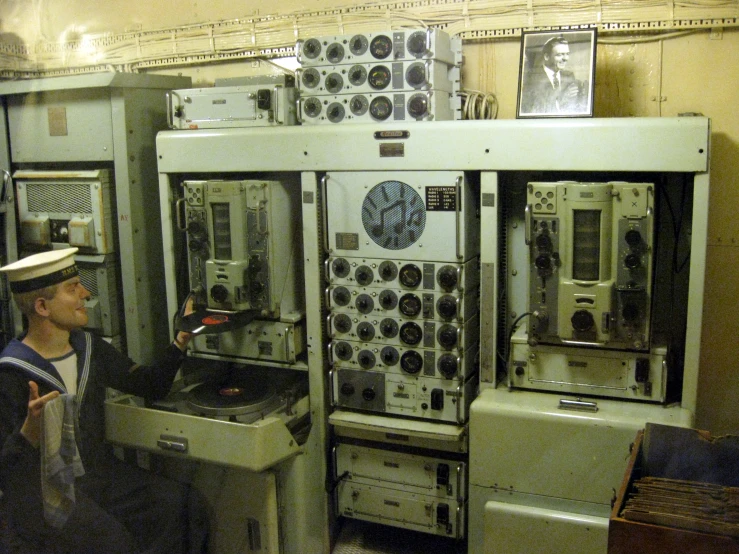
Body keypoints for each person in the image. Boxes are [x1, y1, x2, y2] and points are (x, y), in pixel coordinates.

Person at [0, 248, 208, 553]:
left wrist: (181, 340)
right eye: (72, 289)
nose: (85, 294)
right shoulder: (11, 372)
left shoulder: (89, 348)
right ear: (43, 306)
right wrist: (27, 434)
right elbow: (7, 472)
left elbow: (151, 385)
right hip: (49, 494)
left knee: (186, 506)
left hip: (99, 477)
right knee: (114, 544)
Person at [520, 35, 587, 115]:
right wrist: (562, 99)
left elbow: (574, 107)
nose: (565, 58)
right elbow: (532, 111)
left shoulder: (569, 76)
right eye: (559, 55)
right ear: (547, 56)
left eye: (567, 54)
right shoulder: (530, 79)